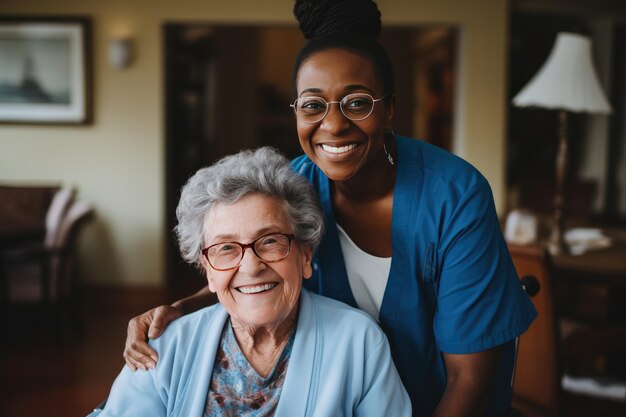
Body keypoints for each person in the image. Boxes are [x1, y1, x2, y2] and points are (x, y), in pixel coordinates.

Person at [123, 1, 537, 416]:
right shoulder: (293, 188)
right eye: (313, 105)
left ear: (389, 108)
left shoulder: (454, 196)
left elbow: (469, 378)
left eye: (357, 103)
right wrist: (179, 310)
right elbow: (251, 263)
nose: (334, 125)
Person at [91, 147, 411, 417]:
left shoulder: (360, 343)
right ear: (208, 270)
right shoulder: (164, 348)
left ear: (304, 255)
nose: (251, 266)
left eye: (270, 241)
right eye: (226, 248)